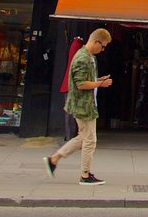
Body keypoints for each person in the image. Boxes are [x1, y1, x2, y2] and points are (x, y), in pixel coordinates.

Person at [44, 28, 113, 185]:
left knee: (83, 137)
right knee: (90, 141)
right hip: (83, 105)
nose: (103, 50)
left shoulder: (89, 56)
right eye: (103, 46)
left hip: (85, 103)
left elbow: (83, 79)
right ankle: (85, 175)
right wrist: (100, 84)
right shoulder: (83, 58)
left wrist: (97, 79)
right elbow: (80, 84)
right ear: (96, 41)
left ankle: (53, 159)